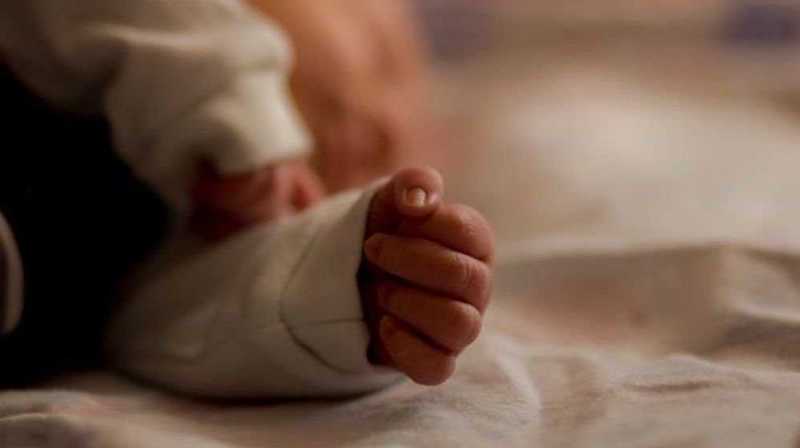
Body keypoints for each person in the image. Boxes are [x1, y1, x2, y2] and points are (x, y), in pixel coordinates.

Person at [0, 0, 494, 397]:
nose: (389, 128)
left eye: (411, 138)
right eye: (381, 60)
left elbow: (193, 329)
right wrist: (235, 107)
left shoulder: (182, 245)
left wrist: (344, 289)